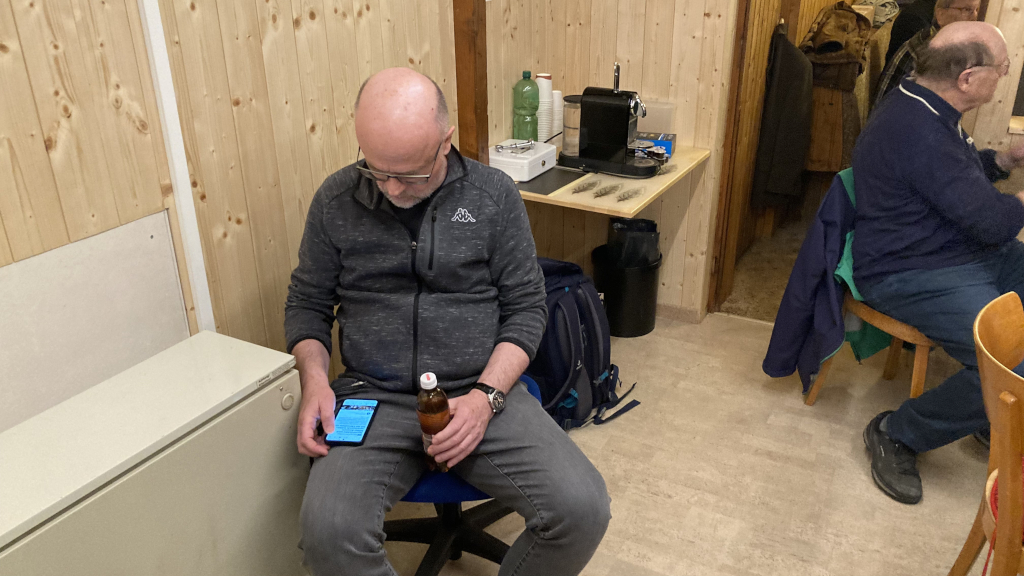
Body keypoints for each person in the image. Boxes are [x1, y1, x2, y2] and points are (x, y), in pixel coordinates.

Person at [284, 67, 611, 575]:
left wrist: (486, 398)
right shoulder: (336, 200)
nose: (392, 188)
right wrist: (313, 381)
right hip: (374, 394)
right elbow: (308, 303)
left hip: (478, 388)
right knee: (329, 534)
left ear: (445, 142)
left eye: (410, 174)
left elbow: (527, 307)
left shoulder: (493, 195)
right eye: (376, 171)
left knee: (582, 509)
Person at [855, 21, 1024, 505]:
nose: (1004, 77)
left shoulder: (926, 102)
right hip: (909, 270)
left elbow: (953, 180)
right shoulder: (917, 128)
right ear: (968, 78)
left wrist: (1005, 160)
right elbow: (992, 223)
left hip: (956, 252)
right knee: (1012, 362)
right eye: (1002, 68)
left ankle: (995, 410)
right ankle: (897, 433)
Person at [873, 0, 980, 107]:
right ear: (941, 14)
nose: (974, 17)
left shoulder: (949, 44)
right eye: (967, 10)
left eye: (977, 10)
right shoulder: (930, 46)